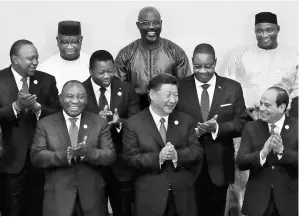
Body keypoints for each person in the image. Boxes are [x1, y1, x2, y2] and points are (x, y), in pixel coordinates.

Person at [225, 12, 298, 215]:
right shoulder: (241, 56)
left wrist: (285, 115)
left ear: (278, 30)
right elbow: (231, 89)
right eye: (259, 30)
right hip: (249, 123)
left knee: (283, 175)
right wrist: (248, 115)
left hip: (284, 125)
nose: (264, 34)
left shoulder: (292, 56)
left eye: (269, 30)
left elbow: (298, 90)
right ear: (254, 31)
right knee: (245, 177)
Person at [176, 43, 248, 216]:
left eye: (208, 66)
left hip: (219, 164)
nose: (202, 71)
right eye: (197, 66)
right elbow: (170, 122)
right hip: (186, 164)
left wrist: (217, 128)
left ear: (215, 62)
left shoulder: (232, 87)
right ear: (192, 62)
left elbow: (241, 123)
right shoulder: (178, 87)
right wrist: (195, 132)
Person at [31, 80, 116, 216]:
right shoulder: (45, 124)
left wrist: (87, 153)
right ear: (60, 98)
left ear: (86, 99)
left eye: (80, 97)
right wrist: (67, 155)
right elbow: (37, 156)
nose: (75, 101)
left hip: (92, 197)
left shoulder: (99, 122)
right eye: (70, 96)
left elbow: (109, 155)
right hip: (58, 197)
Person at [122, 73, 203, 215]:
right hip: (150, 197)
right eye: (168, 95)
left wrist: (176, 155)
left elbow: (197, 152)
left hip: (183, 195)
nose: (173, 100)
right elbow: (130, 159)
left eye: (176, 95)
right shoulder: (134, 123)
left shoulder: (186, 120)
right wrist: (158, 158)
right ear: (152, 94)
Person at [0, 39, 61, 215]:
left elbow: (58, 115)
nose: (35, 62)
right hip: (10, 160)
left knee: (36, 209)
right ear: (15, 59)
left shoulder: (46, 80)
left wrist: (37, 108)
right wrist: (17, 106)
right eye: (30, 58)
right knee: (12, 209)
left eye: (37, 58)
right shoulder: (0, 80)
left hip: (39, 160)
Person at [83, 50, 141, 215]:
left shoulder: (126, 89)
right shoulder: (80, 91)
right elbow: (74, 125)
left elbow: (138, 123)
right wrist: (96, 121)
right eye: (101, 72)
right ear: (90, 70)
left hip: (121, 164)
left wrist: (119, 122)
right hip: (91, 166)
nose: (107, 76)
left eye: (110, 71)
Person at [236, 86, 298, 216]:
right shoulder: (251, 127)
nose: (261, 108)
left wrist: (282, 152)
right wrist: (262, 154)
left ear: (282, 107)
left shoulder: (297, 127)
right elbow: (241, 162)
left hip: (289, 202)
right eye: (261, 103)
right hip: (257, 201)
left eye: (267, 105)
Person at [115, 6, 192, 109]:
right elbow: (119, 91)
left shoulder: (175, 52)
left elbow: (185, 88)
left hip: (168, 111)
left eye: (155, 23)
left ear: (161, 23)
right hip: (136, 113)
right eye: (146, 23)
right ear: (138, 25)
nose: (151, 27)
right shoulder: (125, 54)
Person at [38, 20, 90, 93]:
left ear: (81, 40)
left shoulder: (92, 64)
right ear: (57, 40)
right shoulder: (45, 68)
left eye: (74, 42)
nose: (69, 47)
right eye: (64, 42)